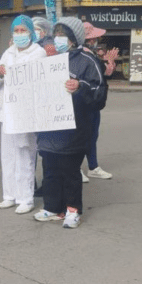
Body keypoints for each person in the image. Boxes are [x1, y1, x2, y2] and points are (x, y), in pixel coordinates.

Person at [32, 17, 106, 229]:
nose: (58, 40)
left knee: (70, 171)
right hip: (49, 127)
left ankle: (73, 210)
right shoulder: (49, 59)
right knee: (50, 169)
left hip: (74, 127)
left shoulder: (87, 61)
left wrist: (80, 86)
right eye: (56, 35)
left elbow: (99, 94)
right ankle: (52, 207)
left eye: (62, 35)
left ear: (74, 38)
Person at [0, 15, 46, 215]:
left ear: (31, 32)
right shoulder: (9, 52)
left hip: (26, 111)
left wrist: (9, 72)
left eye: (23, 30)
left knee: (25, 154)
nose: (20, 34)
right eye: (17, 31)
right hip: (7, 111)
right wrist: (0, 73)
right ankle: (9, 196)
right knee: (8, 156)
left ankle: (26, 198)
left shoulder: (38, 52)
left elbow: (30, 78)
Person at [80, 22, 113, 183]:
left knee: (92, 135)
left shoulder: (92, 55)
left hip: (93, 101)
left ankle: (93, 167)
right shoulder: (82, 55)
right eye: (93, 38)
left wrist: (109, 63)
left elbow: (102, 75)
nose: (96, 41)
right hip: (83, 102)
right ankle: (77, 167)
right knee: (82, 136)